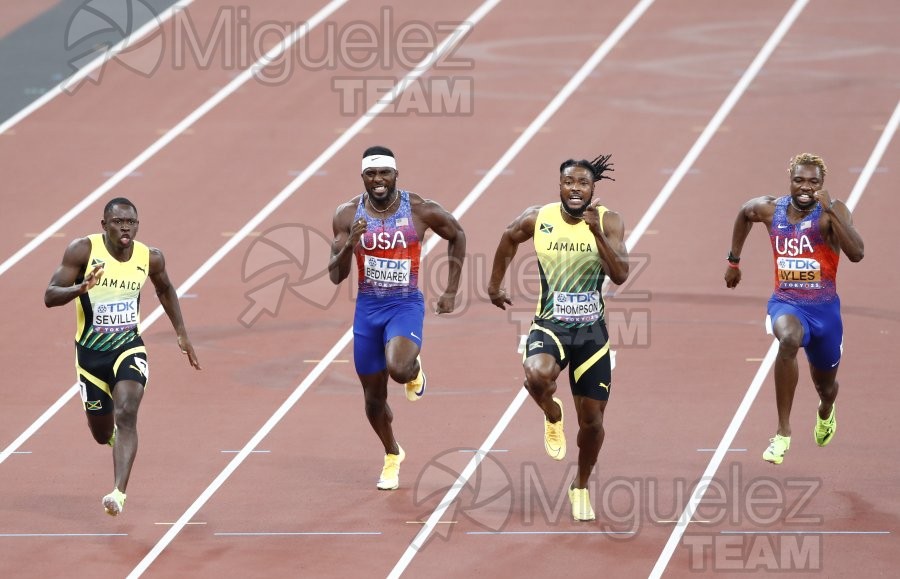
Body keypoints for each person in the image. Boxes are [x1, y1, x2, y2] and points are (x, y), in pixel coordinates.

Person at [487, 154, 629, 521]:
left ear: (593, 188)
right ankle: (552, 413)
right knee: (535, 375)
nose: (575, 189)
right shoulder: (540, 217)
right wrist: (494, 285)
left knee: (593, 424)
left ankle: (580, 486)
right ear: (560, 185)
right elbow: (507, 237)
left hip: (591, 333)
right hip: (550, 324)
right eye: (569, 182)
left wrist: (595, 231)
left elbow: (621, 274)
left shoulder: (609, 220)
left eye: (583, 183)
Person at [44, 197, 201, 516]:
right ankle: (112, 437)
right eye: (118, 222)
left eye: (131, 222)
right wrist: (80, 289)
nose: (125, 227)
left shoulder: (150, 257)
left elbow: (165, 289)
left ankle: (118, 493)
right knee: (101, 434)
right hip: (89, 358)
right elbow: (50, 295)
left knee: (127, 410)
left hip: (128, 348)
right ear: (104, 226)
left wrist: (182, 333)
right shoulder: (83, 251)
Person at [328, 146, 465, 490]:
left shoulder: (419, 209)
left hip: (404, 304)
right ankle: (392, 453)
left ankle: (415, 370)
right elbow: (336, 276)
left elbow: (457, 234)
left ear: (395, 175)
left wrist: (450, 290)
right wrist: (349, 245)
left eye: (384, 174)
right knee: (374, 400)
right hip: (368, 309)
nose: (378, 181)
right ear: (363, 177)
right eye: (371, 174)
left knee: (399, 368)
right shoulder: (347, 215)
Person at [725, 153, 864, 465]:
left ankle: (826, 411)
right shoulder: (771, 209)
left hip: (825, 313)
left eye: (813, 182)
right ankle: (782, 432)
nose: (806, 187)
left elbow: (857, 253)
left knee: (826, 387)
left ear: (822, 184)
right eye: (799, 180)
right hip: (786, 302)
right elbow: (744, 213)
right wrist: (733, 260)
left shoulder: (833, 212)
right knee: (788, 339)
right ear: (790, 181)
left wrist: (830, 210)